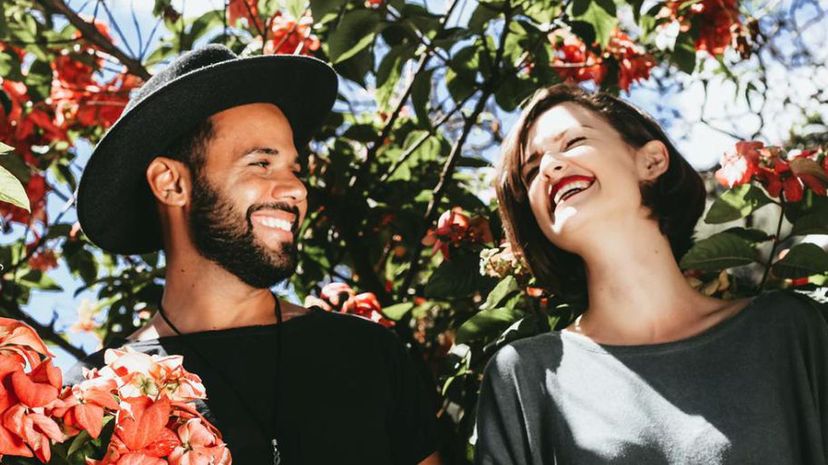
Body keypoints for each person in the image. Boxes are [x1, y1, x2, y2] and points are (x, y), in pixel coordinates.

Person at [66, 45, 441, 465]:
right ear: (171, 184)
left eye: (295, 169)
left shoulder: (367, 353)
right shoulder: (93, 396)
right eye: (262, 163)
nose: (297, 189)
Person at [474, 84, 828, 464]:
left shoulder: (787, 330)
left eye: (573, 142)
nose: (548, 167)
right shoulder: (527, 377)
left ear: (652, 161)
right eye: (530, 171)